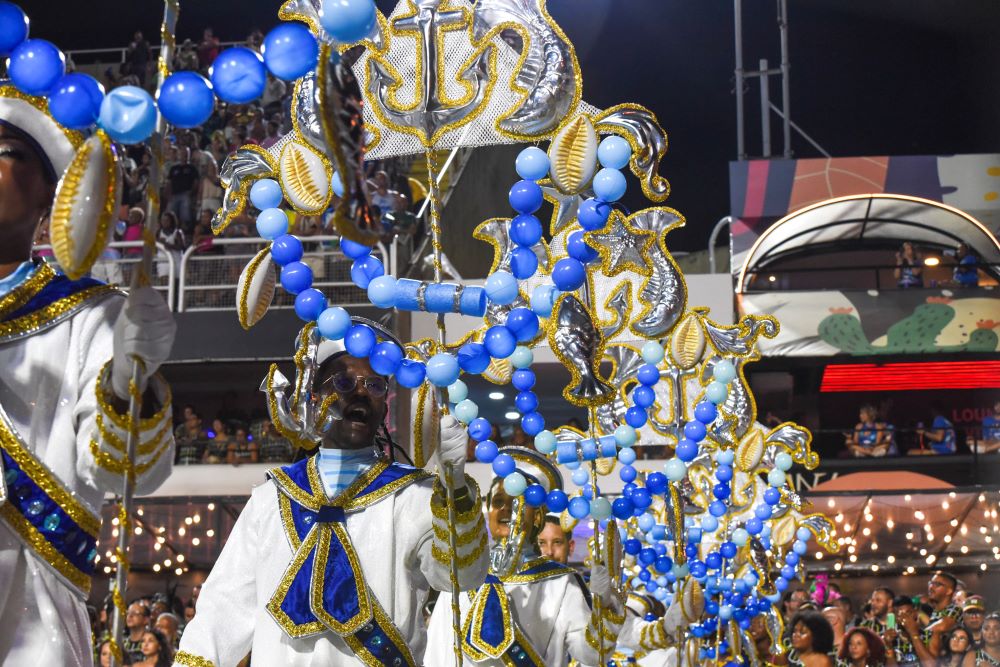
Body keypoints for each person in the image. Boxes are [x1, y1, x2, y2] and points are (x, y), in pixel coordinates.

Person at [173, 320, 487, 665]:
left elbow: (461, 577)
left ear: (385, 405)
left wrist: (455, 488)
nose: (362, 393)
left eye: (376, 385)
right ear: (315, 396)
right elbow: (225, 608)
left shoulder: (414, 496)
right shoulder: (271, 498)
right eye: (344, 382)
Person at [0, 83, 175, 666]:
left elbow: (118, 470)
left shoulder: (90, 314)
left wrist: (130, 381)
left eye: (6, 150)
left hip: (28, 602)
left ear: (53, 190)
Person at [426, 446, 624, 666]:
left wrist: (604, 606)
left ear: (538, 518)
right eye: (498, 501)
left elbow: (592, 656)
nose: (504, 510)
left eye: (515, 503)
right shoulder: (463, 574)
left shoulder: (561, 582)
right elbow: (438, 648)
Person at [165, 147, 199, 229]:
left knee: (185, 211)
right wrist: (168, 195)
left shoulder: (192, 168)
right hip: (174, 195)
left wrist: (191, 192)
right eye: (182, 153)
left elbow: (196, 182)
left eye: (186, 154)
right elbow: (169, 183)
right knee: (170, 213)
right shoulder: (174, 169)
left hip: (186, 194)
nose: (184, 155)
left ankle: (185, 228)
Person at [155, 211, 186, 282]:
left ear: (172, 221)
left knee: (176, 284)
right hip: (163, 261)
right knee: (164, 284)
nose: (164, 222)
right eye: (163, 220)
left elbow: (181, 247)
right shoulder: (159, 232)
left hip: (176, 261)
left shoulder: (177, 232)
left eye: (167, 220)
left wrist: (167, 244)